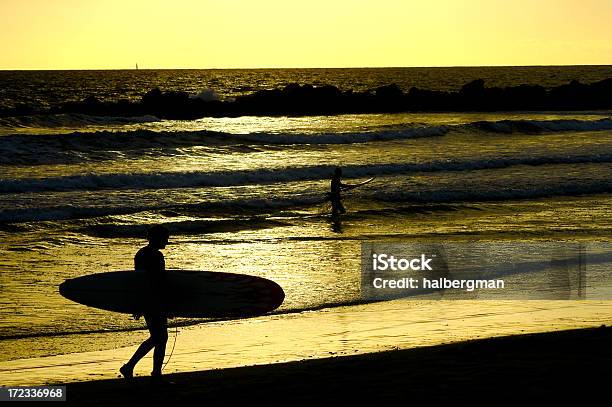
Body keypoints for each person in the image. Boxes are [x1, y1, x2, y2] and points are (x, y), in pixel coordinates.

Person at [120, 225, 170, 382]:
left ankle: (132, 367)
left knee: (157, 337)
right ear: (157, 238)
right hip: (155, 300)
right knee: (160, 337)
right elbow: (159, 282)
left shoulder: (140, 254)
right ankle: (153, 373)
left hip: (146, 300)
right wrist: (168, 304)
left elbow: (139, 281)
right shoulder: (156, 256)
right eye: (165, 238)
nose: (167, 242)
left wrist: (138, 303)